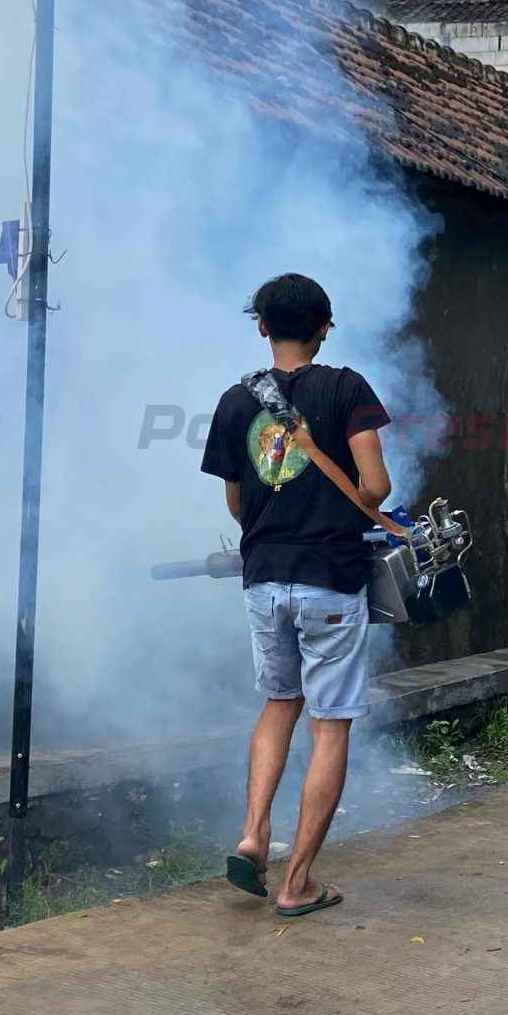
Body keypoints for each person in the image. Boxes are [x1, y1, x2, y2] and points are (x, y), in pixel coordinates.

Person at [200, 273, 391, 917]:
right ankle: (297, 882)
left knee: (278, 703)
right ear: (325, 327)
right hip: (331, 580)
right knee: (329, 724)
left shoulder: (234, 401)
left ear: (261, 326)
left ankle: (255, 836)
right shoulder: (347, 389)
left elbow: (235, 500)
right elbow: (375, 487)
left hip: (263, 580)